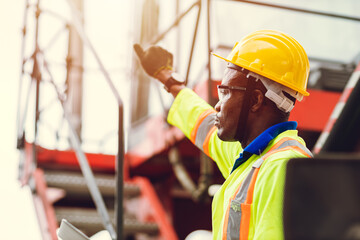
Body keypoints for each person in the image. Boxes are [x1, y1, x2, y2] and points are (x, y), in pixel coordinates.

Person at [134, 29, 313, 240]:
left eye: (226, 92)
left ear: (255, 101)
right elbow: (204, 123)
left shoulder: (282, 167)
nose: (217, 105)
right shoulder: (255, 157)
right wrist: (168, 78)